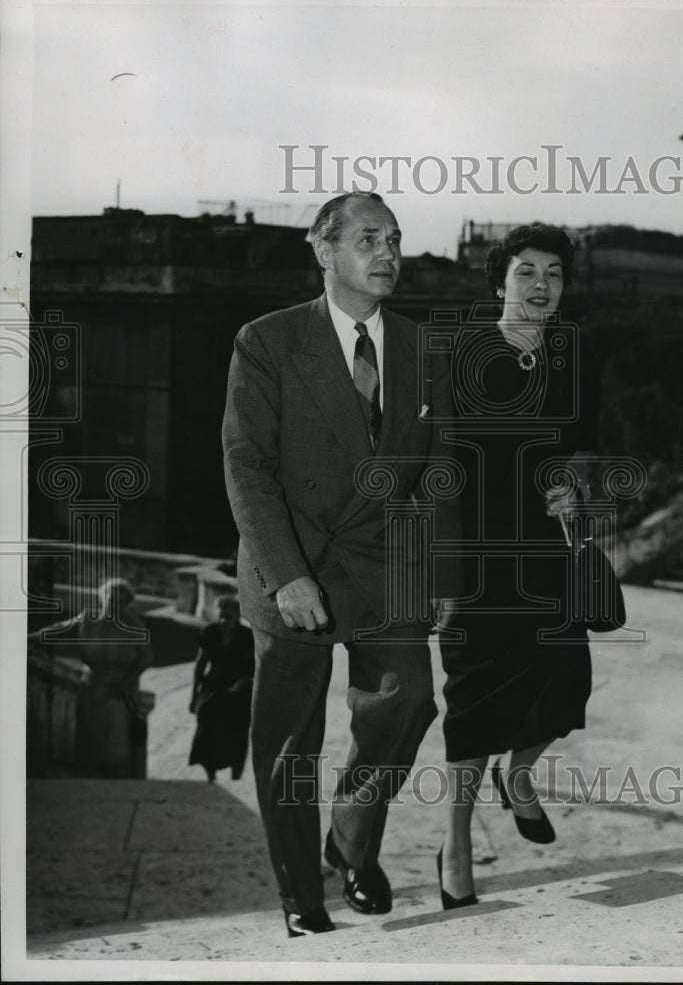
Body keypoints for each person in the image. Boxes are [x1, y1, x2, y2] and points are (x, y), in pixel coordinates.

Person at [222, 192, 460, 937]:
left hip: (385, 566)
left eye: (394, 239)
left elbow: (442, 469)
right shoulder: (267, 341)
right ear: (324, 251)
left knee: (409, 699)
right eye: (368, 239)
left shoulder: (424, 347)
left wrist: (445, 573)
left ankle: (351, 839)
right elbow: (247, 466)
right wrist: (286, 573)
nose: (388, 253)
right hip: (292, 569)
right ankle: (302, 896)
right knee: (290, 745)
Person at [437, 224, 600, 908]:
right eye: (526, 271)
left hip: (545, 546)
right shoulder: (460, 351)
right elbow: (436, 463)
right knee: (476, 702)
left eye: (554, 273)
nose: (541, 285)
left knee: (566, 681)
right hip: (476, 553)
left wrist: (576, 483)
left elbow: (585, 444)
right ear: (498, 279)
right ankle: (457, 840)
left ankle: (522, 776)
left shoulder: (574, 351)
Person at [31, 577, 152, 777]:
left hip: (121, 689)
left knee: (116, 742)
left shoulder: (135, 625)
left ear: (128, 604)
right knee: (90, 738)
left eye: (121, 602)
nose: (115, 605)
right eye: (112, 599)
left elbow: (146, 658)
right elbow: (58, 629)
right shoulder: (88, 619)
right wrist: (28, 638)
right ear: (103, 599)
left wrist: (127, 682)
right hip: (93, 685)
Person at [188, 595, 255, 781]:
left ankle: (236, 778)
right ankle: (211, 777)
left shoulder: (247, 636)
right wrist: (194, 695)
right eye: (222, 615)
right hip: (213, 687)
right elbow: (200, 664)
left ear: (238, 617)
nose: (225, 620)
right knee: (206, 729)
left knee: (237, 735)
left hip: (239, 691)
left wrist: (244, 682)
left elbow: (256, 667)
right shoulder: (210, 632)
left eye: (230, 617)